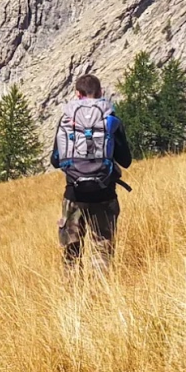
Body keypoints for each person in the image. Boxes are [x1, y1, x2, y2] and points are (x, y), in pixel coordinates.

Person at [51, 72, 133, 267]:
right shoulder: (111, 119)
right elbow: (126, 160)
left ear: (77, 94)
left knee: (71, 253)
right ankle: (101, 287)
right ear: (101, 92)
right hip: (104, 194)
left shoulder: (67, 120)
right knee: (102, 251)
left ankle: (72, 286)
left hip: (74, 195)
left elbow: (55, 160)